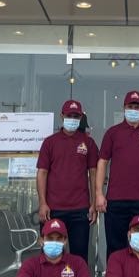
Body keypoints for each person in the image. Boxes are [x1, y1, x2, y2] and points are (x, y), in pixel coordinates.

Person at [96, 90, 139, 258]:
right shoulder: (112, 133)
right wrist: (99, 194)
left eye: (137, 107)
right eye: (130, 106)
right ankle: (115, 276)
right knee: (116, 247)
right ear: (124, 107)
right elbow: (102, 162)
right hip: (116, 200)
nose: (133, 110)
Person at [37, 99, 99, 263]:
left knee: (79, 258)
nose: (72, 119)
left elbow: (93, 174)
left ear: (80, 118)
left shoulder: (88, 143)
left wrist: (93, 204)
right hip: (53, 210)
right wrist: (42, 203)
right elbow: (42, 173)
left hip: (80, 210)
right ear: (62, 116)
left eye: (76, 116)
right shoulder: (50, 142)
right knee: (50, 256)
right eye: (69, 115)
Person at [14, 218, 93, 277]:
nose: (54, 242)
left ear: (65, 241)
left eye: (58, 239)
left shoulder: (78, 263)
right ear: (41, 240)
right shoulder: (30, 264)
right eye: (50, 238)